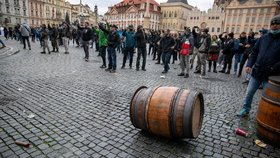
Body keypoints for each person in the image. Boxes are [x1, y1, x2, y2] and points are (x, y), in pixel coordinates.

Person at [237, 14, 280, 117]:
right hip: (257, 71)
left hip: (271, 75)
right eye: (273, 24)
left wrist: (274, 68)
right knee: (249, 92)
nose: (275, 26)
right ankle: (245, 109)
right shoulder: (263, 38)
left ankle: (263, 113)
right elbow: (255, 52)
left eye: (277, 24)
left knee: (267, 97)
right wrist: (249, 64)